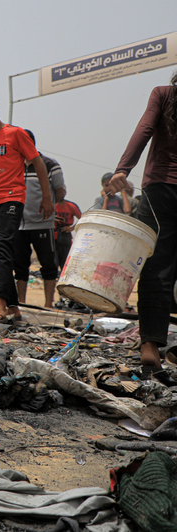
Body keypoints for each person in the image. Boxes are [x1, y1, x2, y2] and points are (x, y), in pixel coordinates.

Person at [109, 70, 177, 385]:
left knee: (157, 270)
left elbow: (145, 129)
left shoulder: (163, 94)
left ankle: (150, 346)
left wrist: (123, 169)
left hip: (161, 190)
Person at [0, 94, 53, 322]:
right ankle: (14, 306)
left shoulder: (16, 134)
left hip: (12, 197)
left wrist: (47, 197)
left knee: (3, 244)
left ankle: (0, 302)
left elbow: (37, 162)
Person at [13, 130, 66, 308]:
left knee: (48, 265)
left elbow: (60, 191)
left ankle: (48, 304)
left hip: (43, 223)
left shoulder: (50, 164)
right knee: (20, 266)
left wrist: (49, 204)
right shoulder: (15, 165)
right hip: (19, 225)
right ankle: (21, 303)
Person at [54, 198, 82, 273]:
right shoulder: (50, 204)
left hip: (65, 237)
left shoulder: (71, 206)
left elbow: (82, 218)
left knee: (65, 263)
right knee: (53, 263)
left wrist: (72, 228)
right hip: (52, 236)